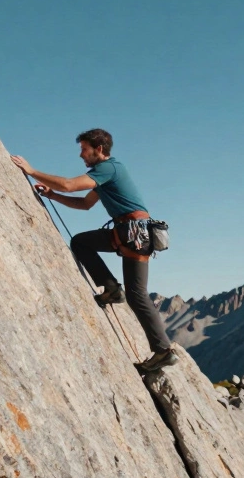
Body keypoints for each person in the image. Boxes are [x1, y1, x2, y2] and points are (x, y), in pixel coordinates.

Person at [11, 129, 178, 372]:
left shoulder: (108, 168)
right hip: (134, 233)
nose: (81, 155)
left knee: (133, 290)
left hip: (132, 233)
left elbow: (69, 185)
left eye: (84, 149)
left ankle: (159, 346)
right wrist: (52, 195)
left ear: (99, 149)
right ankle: (114, 293)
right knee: (87, 248)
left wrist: (32, 171)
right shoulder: (105, 175)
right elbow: (85, 204)